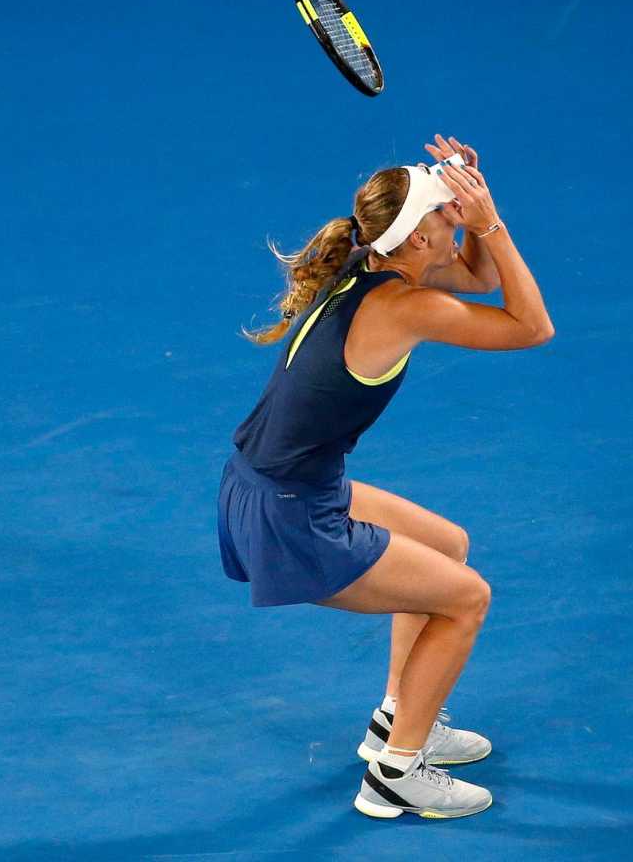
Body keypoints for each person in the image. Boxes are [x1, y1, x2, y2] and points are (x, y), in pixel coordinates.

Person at [217, 134, 554, 820]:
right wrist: (488, 222)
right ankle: (396, 775)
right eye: (441, 213)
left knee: (446, 547)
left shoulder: (371, 268)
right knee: (465, 599)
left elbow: (482, 279)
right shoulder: (407, 304)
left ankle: (401, 719)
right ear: (417, 239)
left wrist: (464, 216)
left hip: (269, 485)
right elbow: (532, 326)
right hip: (291, 513)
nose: (451, 216)